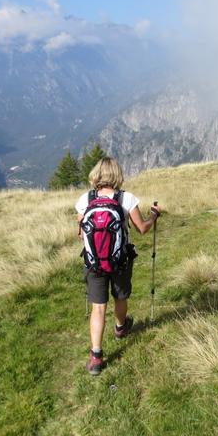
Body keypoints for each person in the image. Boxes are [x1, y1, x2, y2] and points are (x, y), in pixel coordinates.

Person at [76, 156, 160, 375]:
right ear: (117, 175)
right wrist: (153, 217)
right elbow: (142, 229)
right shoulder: (127, 198)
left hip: (93, 263)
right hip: (119, 259)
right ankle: (121, 328)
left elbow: (80, 233)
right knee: (120, 297)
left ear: (96, 175)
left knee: (98, 307)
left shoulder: (85, 199)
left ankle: (96, 357)